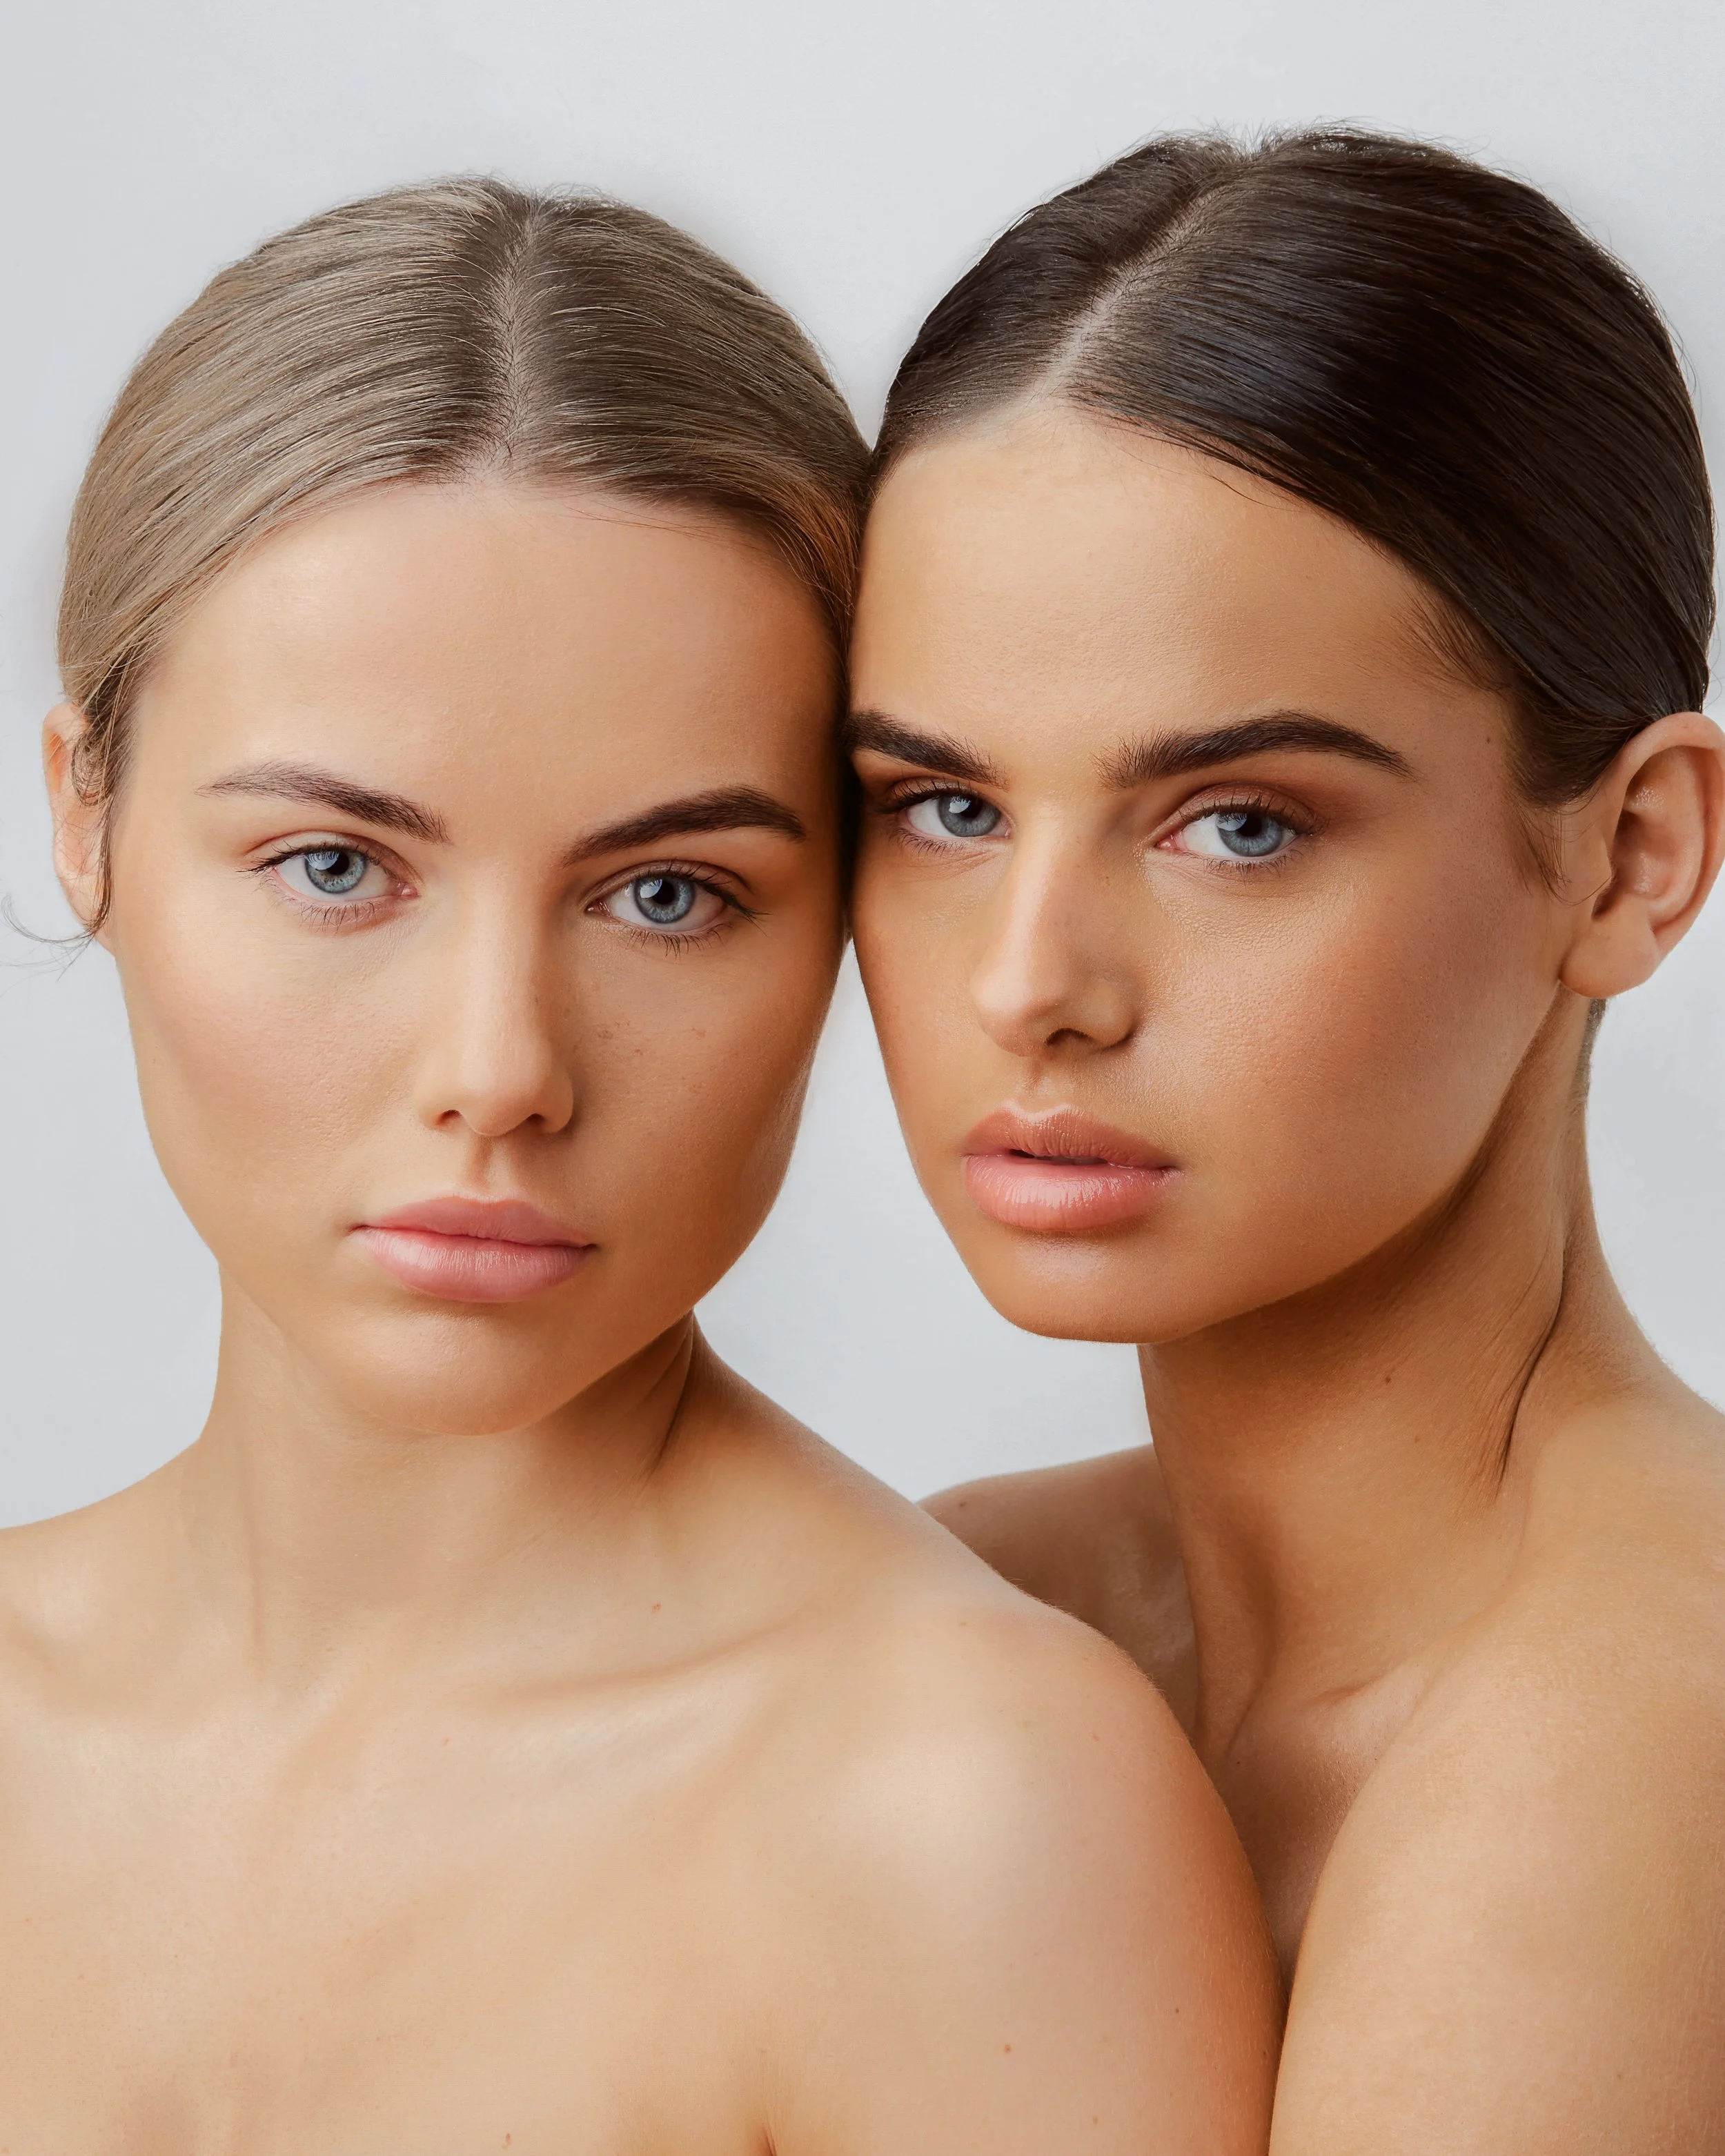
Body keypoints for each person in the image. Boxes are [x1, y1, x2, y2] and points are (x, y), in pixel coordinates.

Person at [5, 178, 1277, 2146]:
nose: (499, 1071)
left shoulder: (968, 1817)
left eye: (666, 893)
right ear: (83, 810)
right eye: (337, 868)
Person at [846, 128, 1725, 2152]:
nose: (1029, 983)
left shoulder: (1623, 1735)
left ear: (1631, 856)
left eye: (1237, 822)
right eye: (944, 808)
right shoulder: (994, 1598)